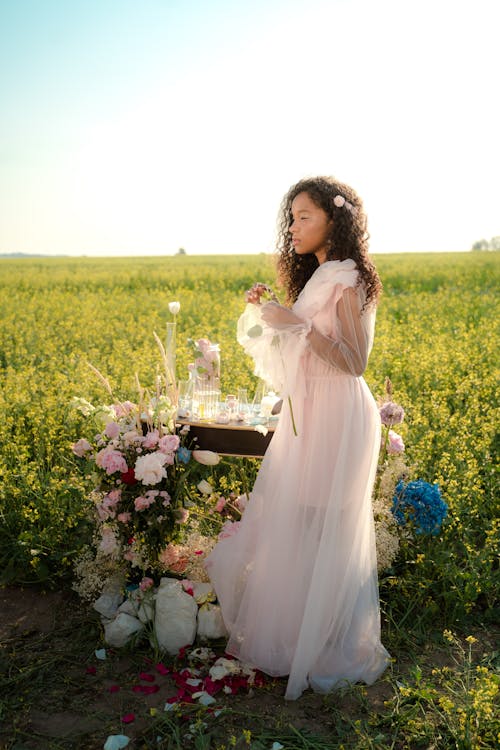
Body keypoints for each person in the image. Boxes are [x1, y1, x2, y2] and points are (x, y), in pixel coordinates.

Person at [205, 176, 390, 700]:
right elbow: (300, 349)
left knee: (321, 526)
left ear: (336, 219)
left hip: (338, 414)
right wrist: (268, 319)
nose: (294, 227)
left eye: (304, 216)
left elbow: (354, 362)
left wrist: (296, 326)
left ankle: (326, 646)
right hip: (310, 413)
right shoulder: (320, 275)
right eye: (292, 218)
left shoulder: (347, 277)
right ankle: (296, 640)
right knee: (300, 525)